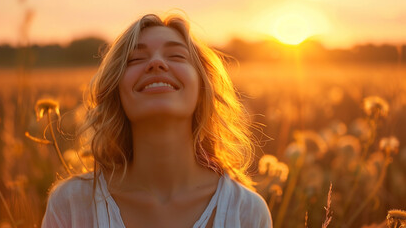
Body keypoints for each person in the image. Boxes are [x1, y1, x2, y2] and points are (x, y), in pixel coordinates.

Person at [42, 13, 272, 228]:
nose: (156, 63)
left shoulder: (246, 212)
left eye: (176, 56)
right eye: (136, 59)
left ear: (203, 88)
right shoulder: (71, 205)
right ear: (116, 92)